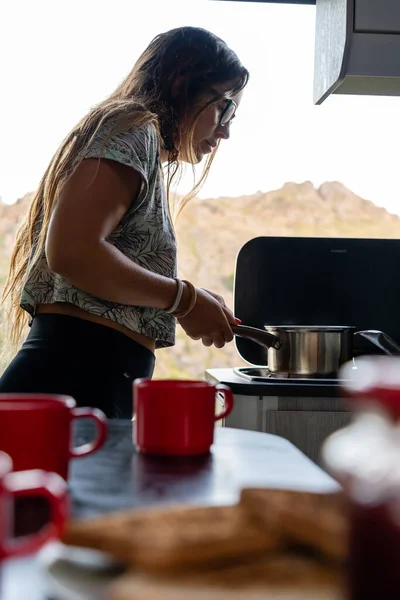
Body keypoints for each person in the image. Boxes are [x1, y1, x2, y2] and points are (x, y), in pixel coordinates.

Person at [0, 26, 249, 418]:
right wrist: (183, 299)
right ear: (182, 85)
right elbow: (72, 251)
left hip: (81, 383)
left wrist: (191, 301)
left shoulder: (136, 139)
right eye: (224, 107)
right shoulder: (136, 129)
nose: (226, 131)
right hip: (71, 380)